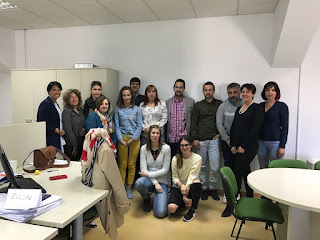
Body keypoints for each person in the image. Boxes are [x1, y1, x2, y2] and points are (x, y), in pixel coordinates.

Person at [230, 83, 264, 198]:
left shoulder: (257, 108)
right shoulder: (239, 109)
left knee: (237, 172)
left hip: (249, 147)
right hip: (238, 146)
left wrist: (243, 146)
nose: (244, 94)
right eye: (243, 92)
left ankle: (234, 199)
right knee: (245, 171)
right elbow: (234, 128)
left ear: (253, 94)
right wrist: (233, 145)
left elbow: (255, 130)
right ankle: (249, 196)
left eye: (247, 92)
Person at [190, 82, 222, 201]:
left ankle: (212, 188)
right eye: (205, 90)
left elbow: (222, 120)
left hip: (214, 140)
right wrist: (194, 139)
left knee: (215, 166)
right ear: (203, 91)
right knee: (201, 166)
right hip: (200, 141)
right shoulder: (198, 105)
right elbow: (194, 123)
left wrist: (220, 134)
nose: (208, 92)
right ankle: (203, 188)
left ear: (213, 91)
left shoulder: (219, 104)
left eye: (210, 90)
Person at [216, 83, 243, 217]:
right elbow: (219, 125)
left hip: (242, 145)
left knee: (239, 170)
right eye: (230, 93)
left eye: (235, 92)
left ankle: (237, 194)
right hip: (227, 143)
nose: (233, 95)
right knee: (228, 169)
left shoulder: (245, 105)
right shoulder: (223, 106)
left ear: (239, 92)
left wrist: (239, 144)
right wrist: (229, 142)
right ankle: (228, 195)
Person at [134, 125, 171, 218]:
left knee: (160, 213)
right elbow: (143, 170)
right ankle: (146, 199)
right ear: (149, 135)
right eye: (153, 133)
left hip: (162, 181)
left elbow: (165, 170)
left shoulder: (166, 148)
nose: (155, 135)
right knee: (139, 183)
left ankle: (159, 199)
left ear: (160, 135)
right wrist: (155, 183)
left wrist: (149, 174)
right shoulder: (143, 148)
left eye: (157, 133)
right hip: (149, 181)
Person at [114, 86, 142, 199]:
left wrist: (132, 139)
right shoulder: (118, 110)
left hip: (134, 139)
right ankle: (121, 188)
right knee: (123, 164)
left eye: (128, 95)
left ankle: (129, 189)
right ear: (121, 96)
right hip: (122, 140)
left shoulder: (136, 109)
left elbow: (140, 125)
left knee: (131, 164)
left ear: (132, 96)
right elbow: (116, 125)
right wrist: (121, 139)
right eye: (124, 95)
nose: (126, 97)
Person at [168, 136, 202, 222]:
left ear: (191, 145)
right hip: (179, 186)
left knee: (197, 182)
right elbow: (174, 177)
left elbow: (192, 176)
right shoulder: (175, 159)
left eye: (187, 145)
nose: (184, 147)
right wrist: (181, 185)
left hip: (190, 186)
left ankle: (193, 209)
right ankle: (182, 203)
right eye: (182, 145)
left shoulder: (197, 158)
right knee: (171, 209)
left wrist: (185, 194)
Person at [258, 81, 289, 168]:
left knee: (276, 169)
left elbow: (285, 127)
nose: (270, 92)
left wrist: (282, 146)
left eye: (273, 90)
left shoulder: (282, 106)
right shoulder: (260, 106)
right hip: (260, 142)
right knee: (262, 169)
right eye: (267, 90)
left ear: (277, 93)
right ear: (264, 92)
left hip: (275, 143)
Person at [166, 79, 195, 158]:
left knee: (185, 163)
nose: (178, 89)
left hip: (184, 140)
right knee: (172, 163)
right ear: (173, 88)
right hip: (171, 139)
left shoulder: (191, 102)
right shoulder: (167, 103)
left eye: (181, 87)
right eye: (177, 87)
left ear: (184, 89)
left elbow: (193, 121)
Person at [37, 81, 65, 150]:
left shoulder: (55, 104)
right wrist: (57, 131)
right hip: (50, 138)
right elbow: (42, 123)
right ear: (49, 91)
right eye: (54, 90)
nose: (57, 92)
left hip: (56, 137)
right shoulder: (45, 104)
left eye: (59, 90)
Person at [62, 89, 85, 161]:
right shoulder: (67, 111)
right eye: (71, 97)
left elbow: (83, 122)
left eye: (76, 97)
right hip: (71, 145)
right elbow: (67, 129)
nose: (74, 99)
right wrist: (74, 145)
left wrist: (84, 128)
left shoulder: (80, 110)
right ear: (67, 100)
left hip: (80, 143)